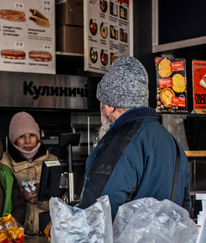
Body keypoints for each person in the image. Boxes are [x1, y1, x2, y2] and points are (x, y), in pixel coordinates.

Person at [79, 56, 191, 219]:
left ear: (110, 106)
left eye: (102, 103)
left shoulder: (118, 144)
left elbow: (96, 214)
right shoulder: (173, 143)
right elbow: (184, 209)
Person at [1, 112, 59, 235]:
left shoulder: (52, 160)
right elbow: (0, 200)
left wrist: (41, 201)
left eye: (32, 135)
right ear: (14, 139)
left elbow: (61, 203)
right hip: (15, 234)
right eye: (22, 136)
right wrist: (20, 195)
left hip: (47, 234)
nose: (28, 141)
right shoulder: (3, 162)